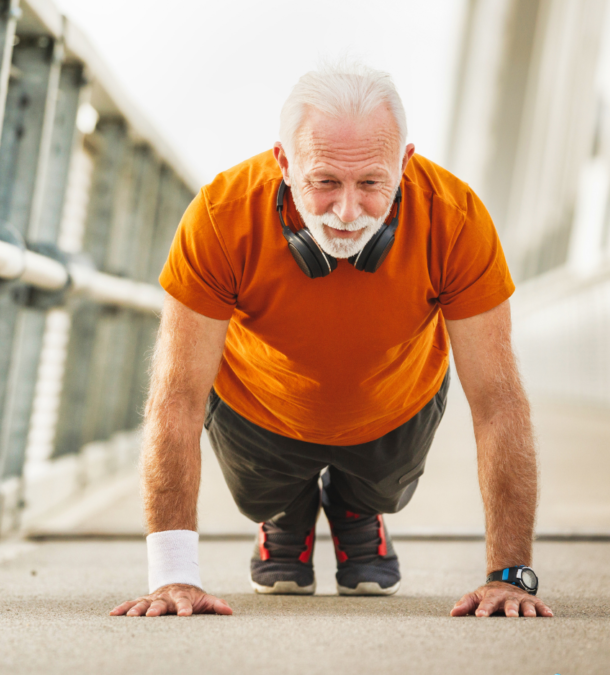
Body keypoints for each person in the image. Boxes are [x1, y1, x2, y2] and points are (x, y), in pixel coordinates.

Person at [109, 62, 553, 619]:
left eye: (372, 183)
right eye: (324, 182)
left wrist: (511, 576)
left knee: (378, 489)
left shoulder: (456, 218)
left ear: (405, 164)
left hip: (396, 405)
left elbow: (498, 401)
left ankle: (358, 507)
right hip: (259, 409)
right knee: (262, 495)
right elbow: (175, 396)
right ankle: (286, 511)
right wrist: (172, 576)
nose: (347, 213)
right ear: (284, 165)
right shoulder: (220, 219)